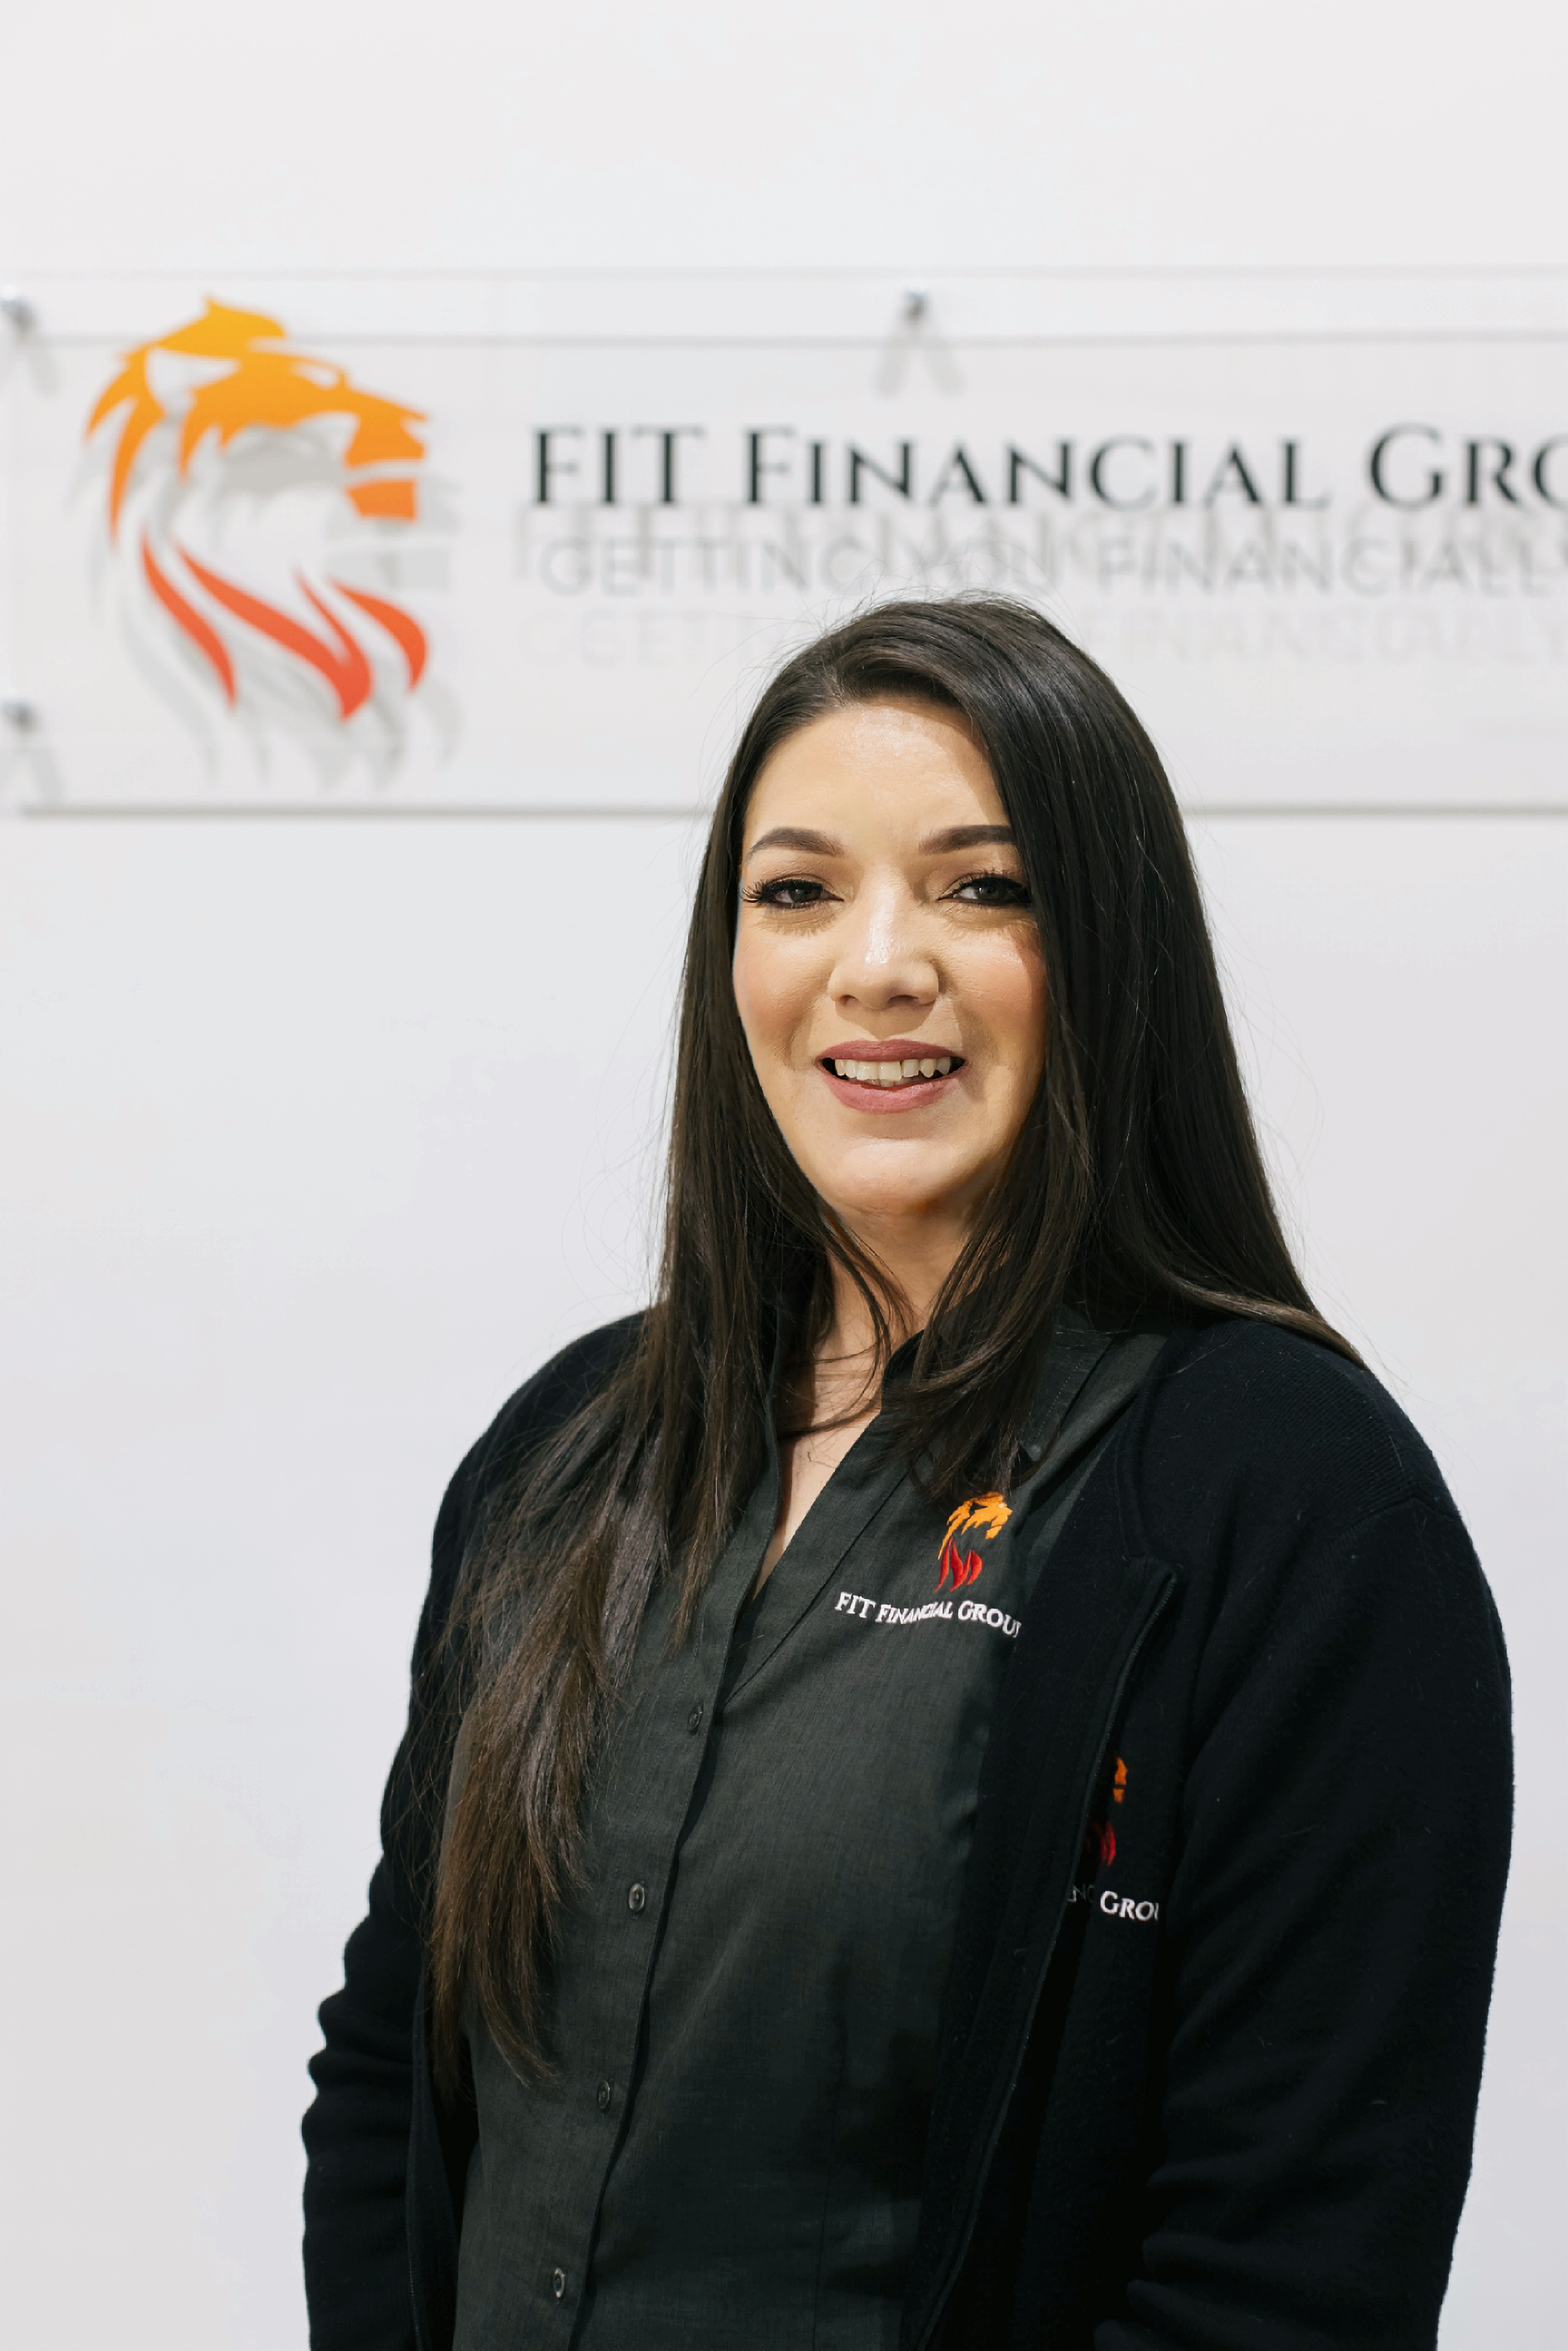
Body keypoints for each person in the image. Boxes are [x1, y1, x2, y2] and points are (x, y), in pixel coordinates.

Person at [303, 598, 1511, 2351]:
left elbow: (1289, 2272)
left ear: (1110, 949)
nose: (877, 963)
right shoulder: (563, 1449)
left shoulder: (1294, 1504)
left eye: (982, 887)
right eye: (798, 889)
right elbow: (392, 2070)